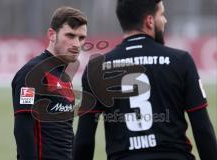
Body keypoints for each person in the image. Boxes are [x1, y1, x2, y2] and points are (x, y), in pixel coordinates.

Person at [73, 0, 217, 160]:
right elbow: (203, 130)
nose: (165, 20)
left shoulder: (97, 68)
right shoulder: (181, 60)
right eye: (161, 14)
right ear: (149, 21)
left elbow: (84, 141)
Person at [11, 6, 87, 160]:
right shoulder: (32, 73)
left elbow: (65, 132)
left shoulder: (64, 77)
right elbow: (23, 129)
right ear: (52, 35)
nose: (77, 44)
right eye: (70, 36)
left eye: (81, 38)